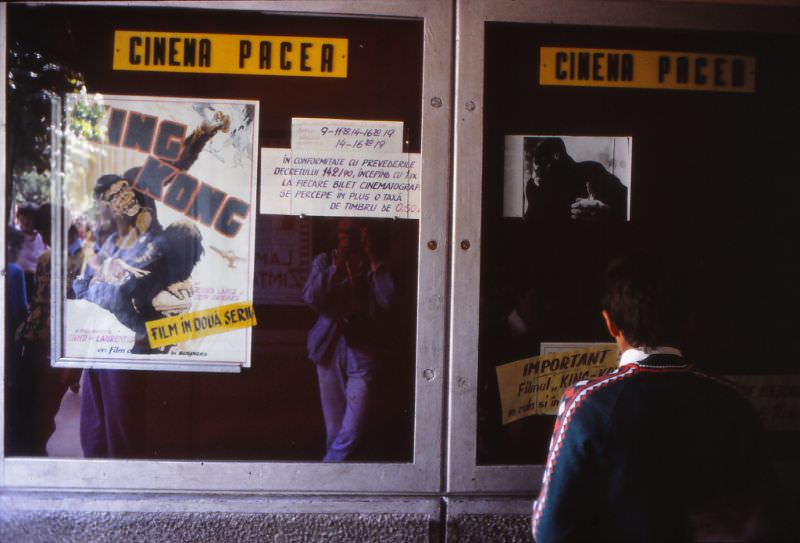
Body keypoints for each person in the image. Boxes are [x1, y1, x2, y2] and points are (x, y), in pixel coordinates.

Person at [531, 253, 789, 542]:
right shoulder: (732, 400)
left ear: (611, 324)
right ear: (689, 320)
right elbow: (768, 517)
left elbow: (550, 531)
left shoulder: (588, 404)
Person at [303, 219, 394, 461]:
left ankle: (326, 471)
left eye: (354, 233)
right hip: (329, 348)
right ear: (336, 233)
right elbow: (312, 299)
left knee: (352, 430)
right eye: (344, 232)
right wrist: (337, 267)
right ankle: (333, 481)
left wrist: (373, 260)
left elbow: (387, 300)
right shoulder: (324, 261)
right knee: (334, 430)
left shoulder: (371, 263)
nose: (348, 238)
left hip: (362, 350)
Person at [524, 138, 627, 223]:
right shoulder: (533, 186)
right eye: (533, 168)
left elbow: (629, 204)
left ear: (557, 156)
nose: (534, 176)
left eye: (541, 164)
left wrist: (607, 212)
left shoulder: (593, 172)